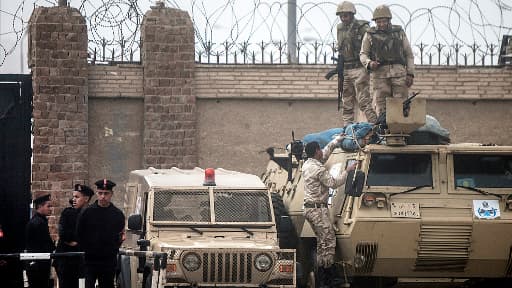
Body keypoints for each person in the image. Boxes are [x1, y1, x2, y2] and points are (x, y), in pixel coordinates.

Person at [302, 137, 356, 287]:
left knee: (321, 243)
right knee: (329, 242)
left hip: (310, 208)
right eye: (319, 149)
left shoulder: (308, 164)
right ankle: (328, 279)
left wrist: (336, 141)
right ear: (316, 151)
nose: (321, 151)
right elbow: (334, 183)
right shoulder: (319, 169)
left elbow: (325, 154)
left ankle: (322, 277)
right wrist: (347, 171)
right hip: (317, 209)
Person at [359, 4, 415, 117]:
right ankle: (384, 133)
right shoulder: (370, 34)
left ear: (389, 20)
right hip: (379, 75)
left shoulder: (399, 32)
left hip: (399, 74)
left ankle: (401, 132)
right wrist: (369, 63)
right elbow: (363, 54)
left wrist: (410, 73)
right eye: (378, 22)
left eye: (384, 21)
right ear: (375, 22)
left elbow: (409, 54)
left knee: (401, 106)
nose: (381, 24)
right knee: (381, 108)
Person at [77, 179, 125, 288]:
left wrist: (112, 249)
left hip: (108, 261)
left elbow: (120, 236)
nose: (103, 196)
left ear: (111, 194)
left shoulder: (117, 214)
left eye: (106, 193)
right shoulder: (87, 212)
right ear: (97, 193)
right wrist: (87, 249)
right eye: (100, 193)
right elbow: (79, 233)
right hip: (90, 260)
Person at [336, 1, 378, 126]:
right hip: (346, 68)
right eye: (341, 16)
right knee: (347, 102)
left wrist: (369, 63)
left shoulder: (362, 28)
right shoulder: (339, 28)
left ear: (352, 14)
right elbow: (342, 49)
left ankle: (376, 126)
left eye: (346, 15)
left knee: (363, 101)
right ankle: (347, 129)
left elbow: (370, 47)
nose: (343, 18)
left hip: (360, 67)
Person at [55, 184, 94, 288]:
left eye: (77, 197)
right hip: (65, 259)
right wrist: (77, 239)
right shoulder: (68, 213)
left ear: (86, 198)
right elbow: (64, 234)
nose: (73, 200)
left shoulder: (91, 214)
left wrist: (78, 240)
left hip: (82, 261)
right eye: (73, 197)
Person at [25, 194, 55, 288]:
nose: (50, 209)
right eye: (48, 206)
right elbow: (43, 244)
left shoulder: (39, 221)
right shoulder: (38, 223)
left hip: (39, 263)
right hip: (38, 265)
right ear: (40, 207)